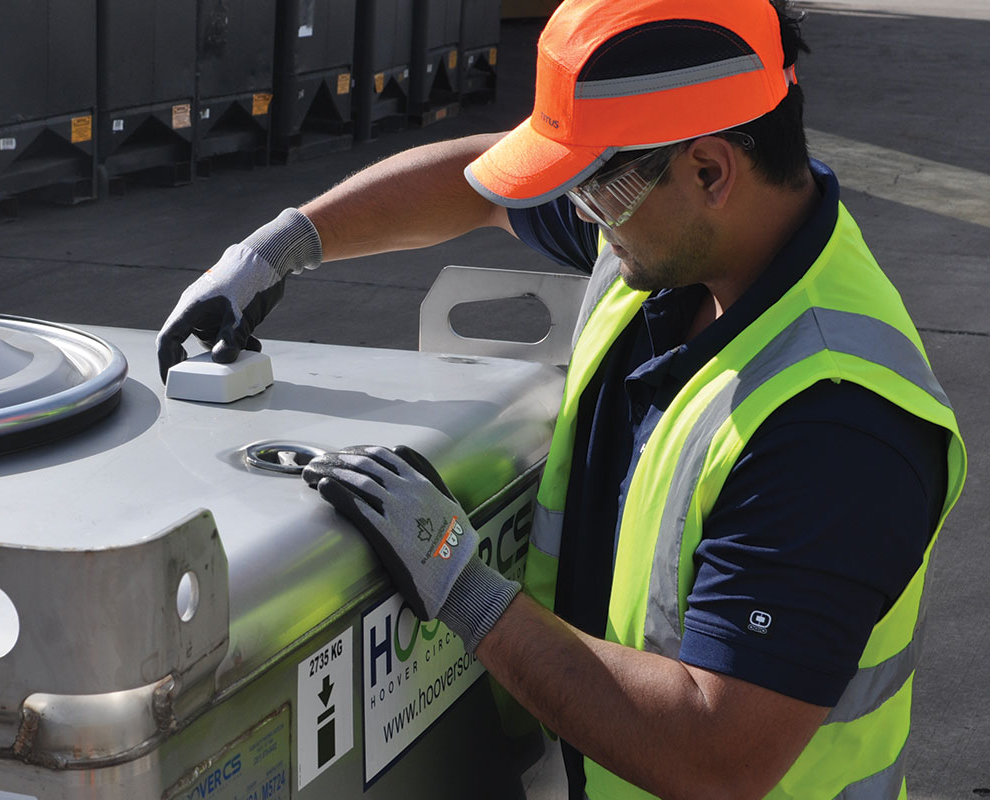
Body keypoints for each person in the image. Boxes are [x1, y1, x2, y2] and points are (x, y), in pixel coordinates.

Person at [156, 0, 967, 797]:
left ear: (712, 169)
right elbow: (479, 189)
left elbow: (715, 756)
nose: (579, 218)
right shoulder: (682, 232)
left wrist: (460, 584)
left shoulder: (834, 425)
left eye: (595, 193)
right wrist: (276, 250)